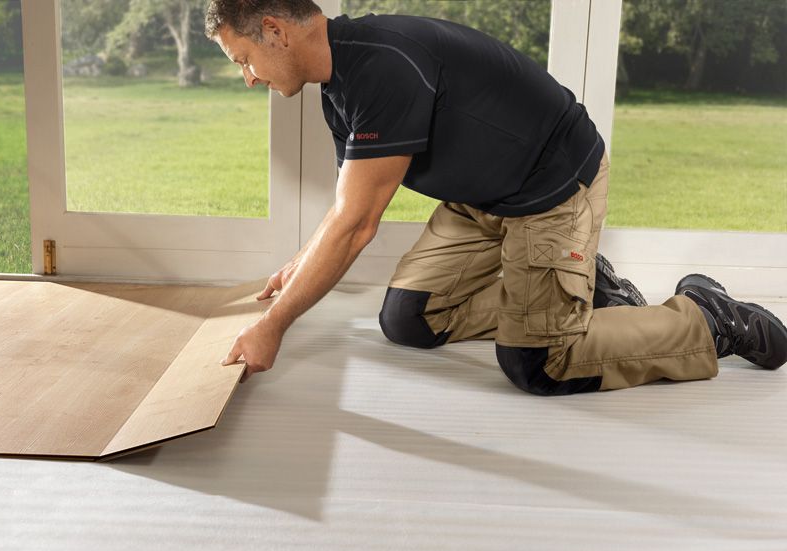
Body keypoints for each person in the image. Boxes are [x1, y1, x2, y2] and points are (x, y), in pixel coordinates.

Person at [206, 0, 787, 392]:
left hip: (550, 191)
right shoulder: (341, 77)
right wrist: (300, 263)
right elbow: (346, 205)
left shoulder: (381, 66)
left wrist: (274, 325)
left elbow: (359, 225)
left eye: (244, 60)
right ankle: (585, 290)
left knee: (538, 364)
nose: (249, 77)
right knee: (411, 320)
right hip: (480, 199)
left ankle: (708, 318)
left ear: (275, 32)